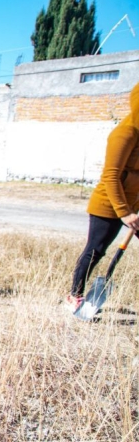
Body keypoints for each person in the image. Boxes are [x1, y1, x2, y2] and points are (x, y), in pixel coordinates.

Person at [67, 83, 139, 312]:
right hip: (109, 204)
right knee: (96, 249)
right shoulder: (125, 133)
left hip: (132, 205)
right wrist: (125, 212)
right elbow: (111, 176)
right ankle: (74, 295)